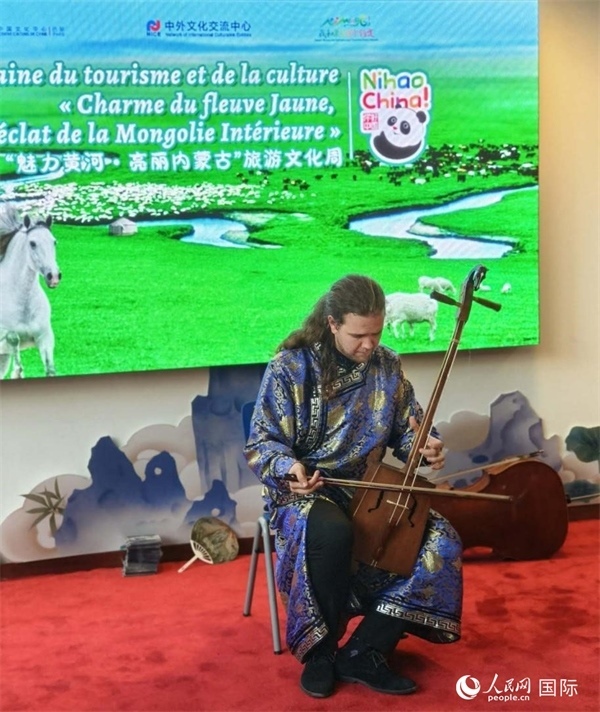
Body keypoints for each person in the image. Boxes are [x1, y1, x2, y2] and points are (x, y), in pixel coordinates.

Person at [243, 274, 462, 699]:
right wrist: (290, 468)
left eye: (375, 333)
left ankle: (366, 650)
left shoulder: (387, 365)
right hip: (306, 490)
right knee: (332, 531)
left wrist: (425, 446)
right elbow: (262, 441)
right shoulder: (290, 368)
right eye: (358, 335)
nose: (369, 344)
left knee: (441, 539)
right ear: (332, 324)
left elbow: (409, 428)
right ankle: (321, 652)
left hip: (368, 490)